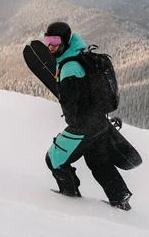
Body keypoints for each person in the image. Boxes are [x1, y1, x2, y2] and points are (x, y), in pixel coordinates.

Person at [43, 21, 133, 210]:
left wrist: (74, 126)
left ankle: (69, 199)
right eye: (47, 40)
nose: (51, 45)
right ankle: (121, 201)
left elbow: (69, 102)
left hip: (84, 125)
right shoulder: (80, 55)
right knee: (98, 161)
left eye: (55, 40)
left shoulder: (69, 68)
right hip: (99, 121)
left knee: (54, 159)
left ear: (66, 41)